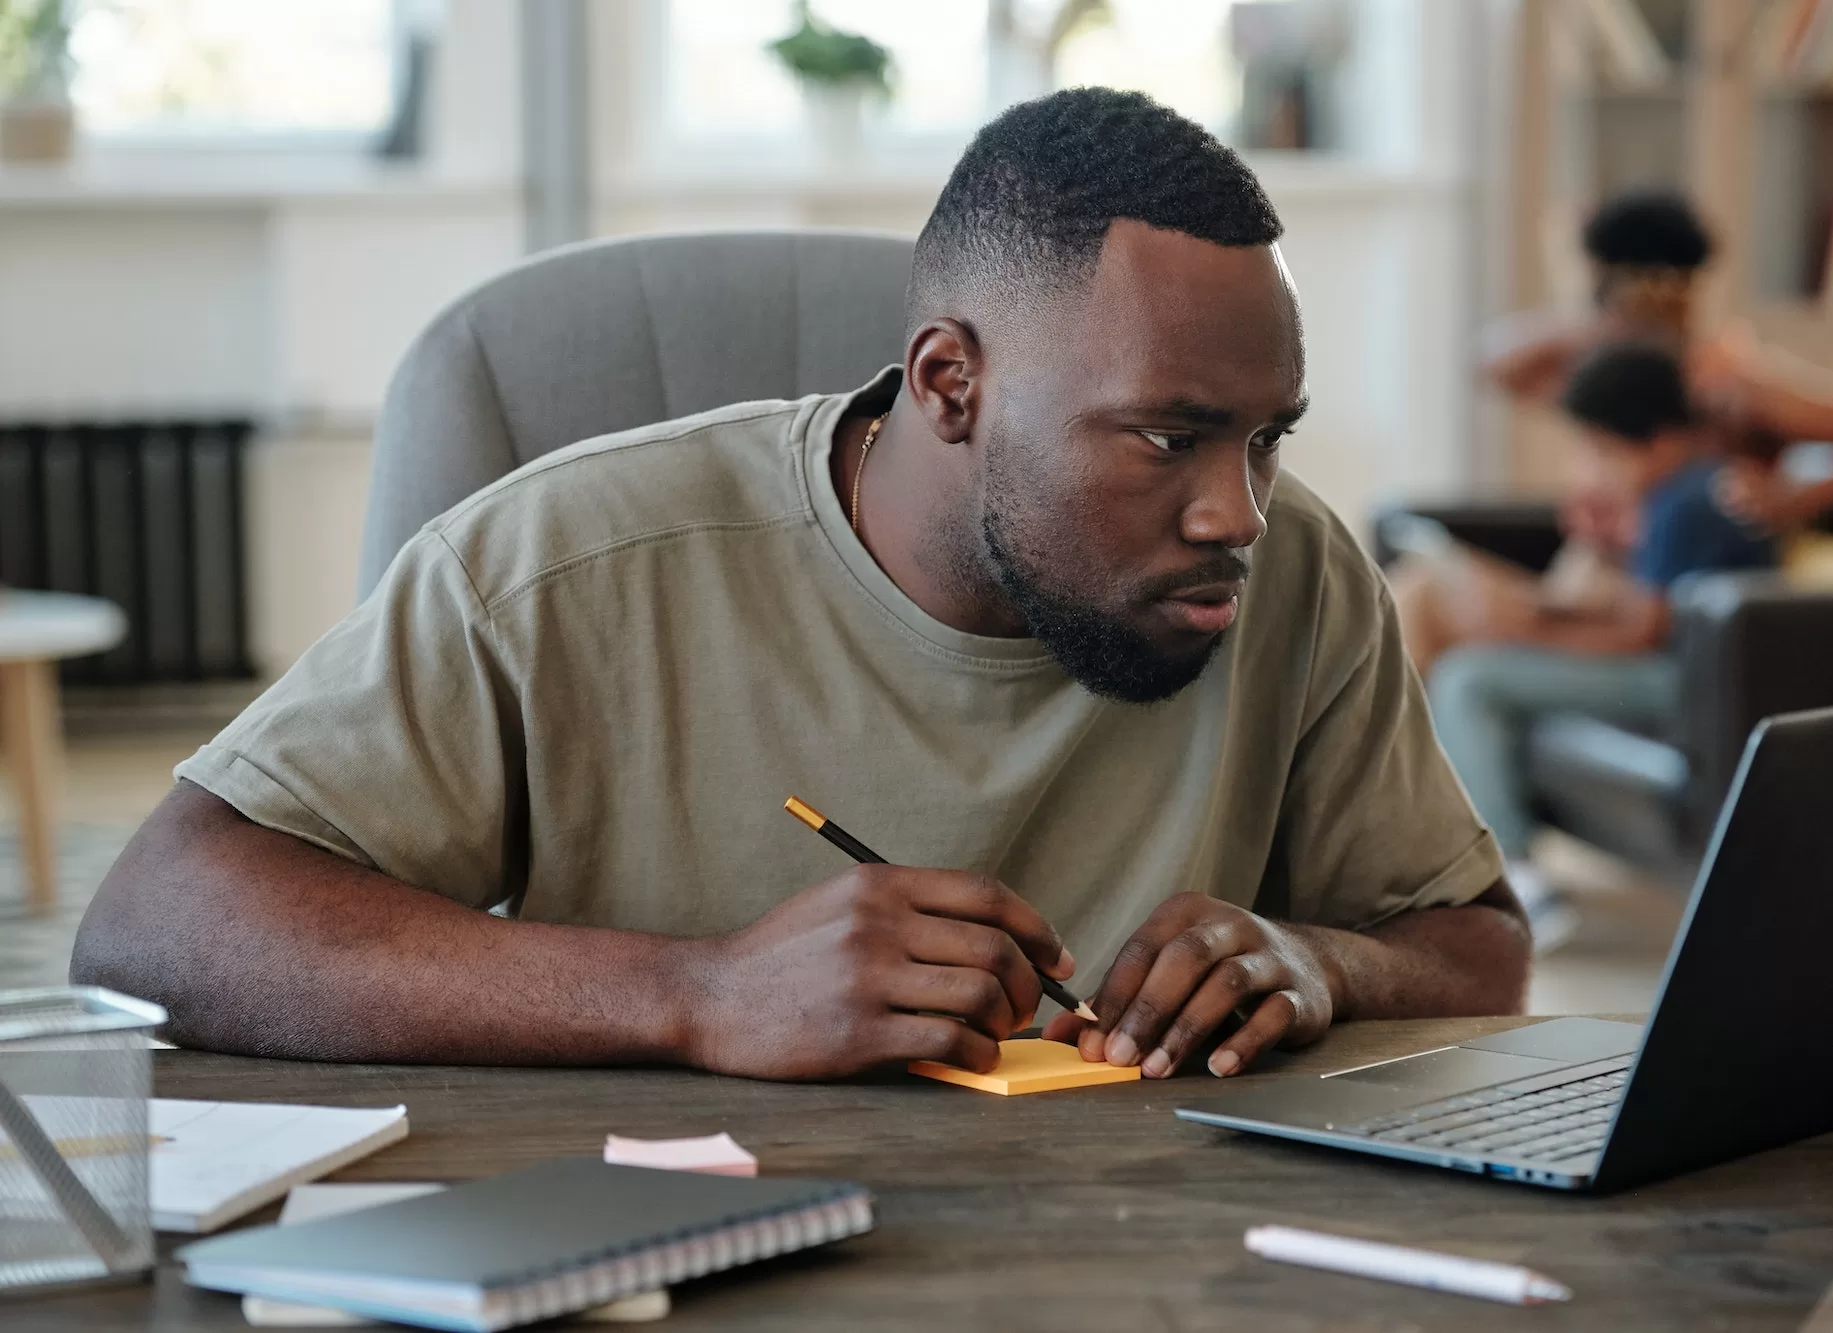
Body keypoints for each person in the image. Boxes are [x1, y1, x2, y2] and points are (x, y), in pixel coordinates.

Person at [73, 89, 1529, 1084]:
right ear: (952, 382)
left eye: (1269, 438)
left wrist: (1321, 960)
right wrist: (695, 994)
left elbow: (1477, 945)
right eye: (1168, 437)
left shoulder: (1295, 575)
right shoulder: (566, 563)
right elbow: (162, 918)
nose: (1238, 510)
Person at [1424, 341, 1777, 908]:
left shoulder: (1684, 503)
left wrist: (1525, 636)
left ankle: (1510, 869)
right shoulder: (1693, 486)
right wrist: (1545, 616)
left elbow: (1644, 635)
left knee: (1470, 678)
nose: (1603, 468)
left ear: (1660, 439)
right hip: (1685, 669)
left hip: (1679, 680)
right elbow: (1642, 610)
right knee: (1472, 660)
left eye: (1608, 450)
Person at [1483, 189, 1833, 562]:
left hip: (1692, 578)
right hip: (1618, 558)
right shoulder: (1603, 372)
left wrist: (1795, 499)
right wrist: (1604, 320)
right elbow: (1495, 364)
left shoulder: (1728, 378)